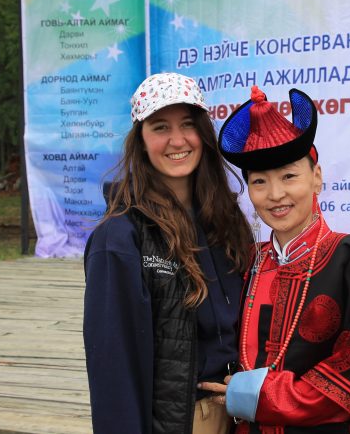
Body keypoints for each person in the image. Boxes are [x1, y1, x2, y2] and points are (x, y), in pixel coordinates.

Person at [201, 86, 350, 433]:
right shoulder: (248, 263)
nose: (275, 194)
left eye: (289, 176)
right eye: (260, 181)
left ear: (316, 178)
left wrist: (261, 397)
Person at [83, 72, 253, 434]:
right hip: (181, 421)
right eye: (160, 127)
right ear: (141, 141)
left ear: (203, 134)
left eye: (187, 125)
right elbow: (113, 367)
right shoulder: (120, 236)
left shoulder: (225, 220)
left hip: (244, 415)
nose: (177, 140)